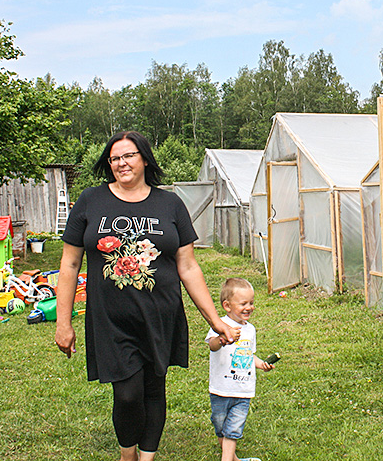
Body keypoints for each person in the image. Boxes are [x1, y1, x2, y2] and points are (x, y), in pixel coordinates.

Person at [54, 131, 239, 461]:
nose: (121, 163)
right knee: (127, 394)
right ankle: (128, 454)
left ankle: (147, 456)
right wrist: (63, 323)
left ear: (144, 159)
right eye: (114, 158)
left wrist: (215, 321)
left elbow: (188, 267)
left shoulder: (170, 204)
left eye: (128, 156)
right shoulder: (90, 201)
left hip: (160, 314)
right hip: (110, 319)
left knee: (154, 389)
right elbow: (69, 264)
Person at [206, 278, 274, 461]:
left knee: (233, 428)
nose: (249, 307)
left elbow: (249, 354)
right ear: (227, 306)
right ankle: (233, 458)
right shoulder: (219, 325)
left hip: (243, 390)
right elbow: (212, 346)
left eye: (251, 303)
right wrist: (222, 338)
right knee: (220, 425)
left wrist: (261, 364)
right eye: (243, 303)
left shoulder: (250, 330)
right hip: (221, 389)